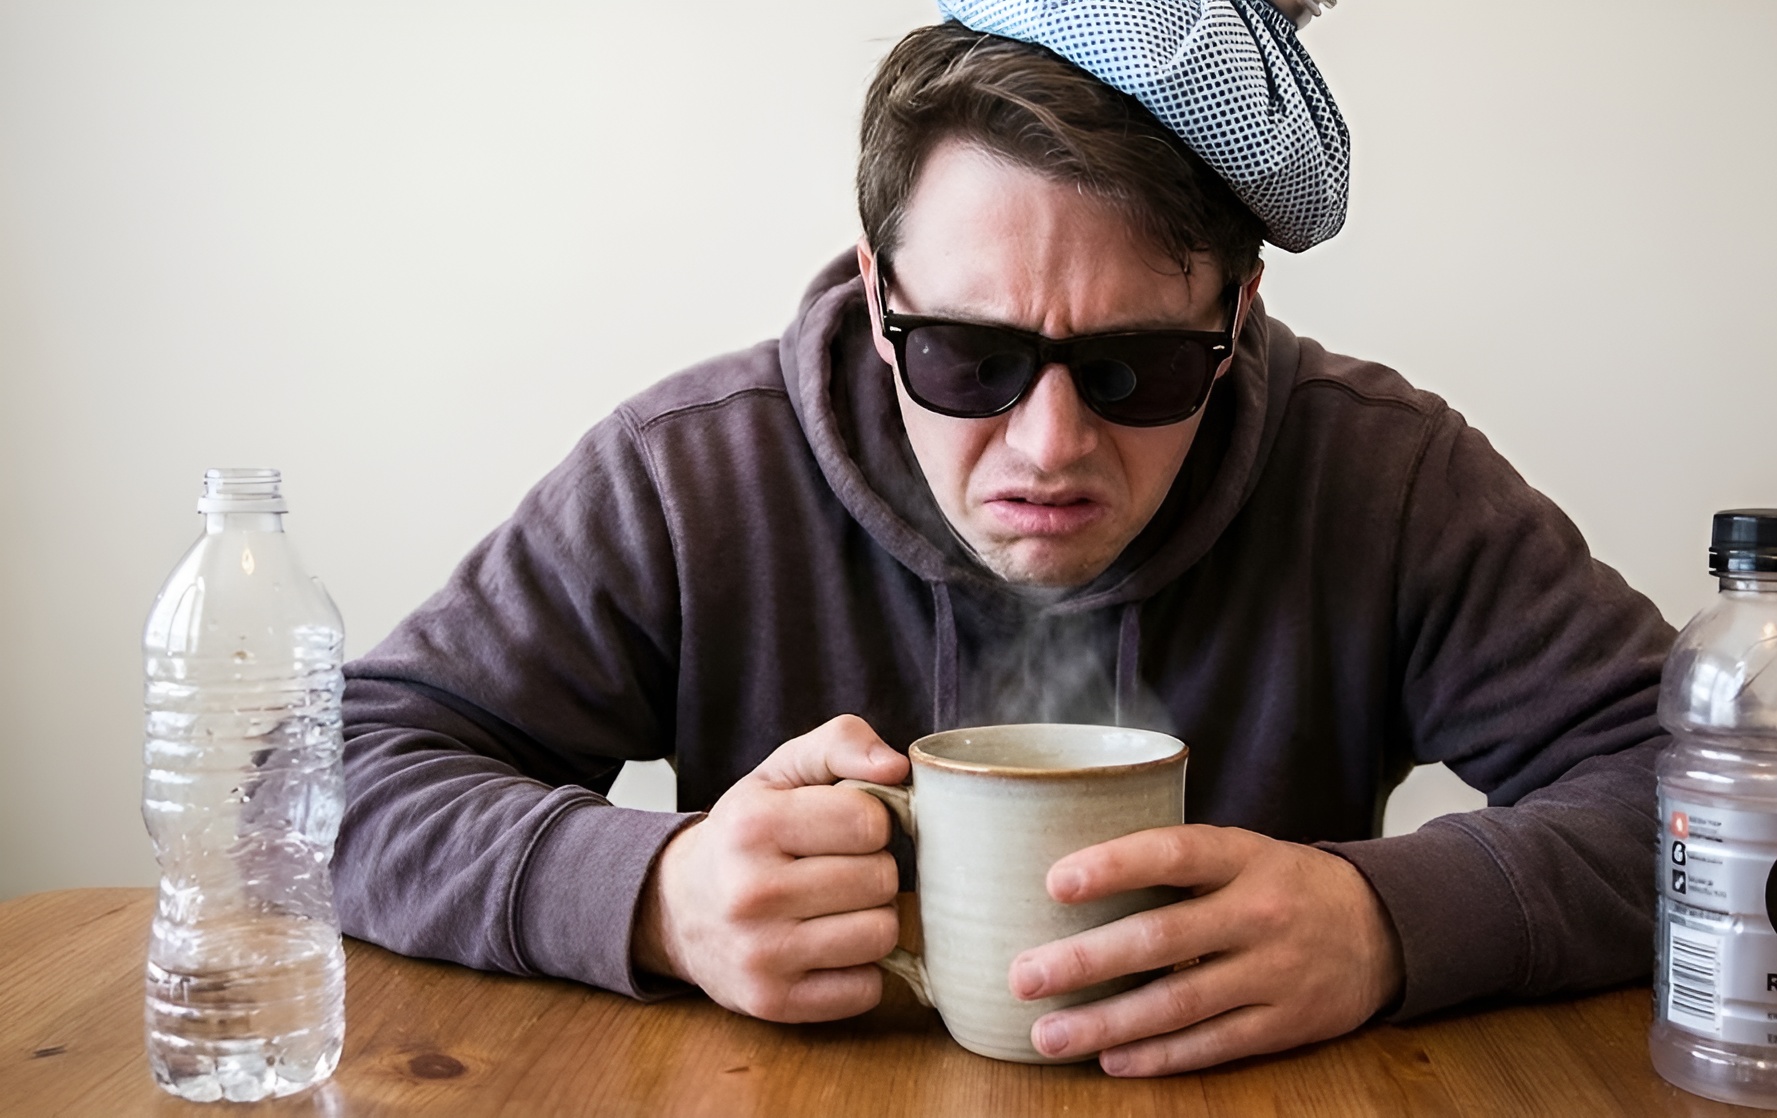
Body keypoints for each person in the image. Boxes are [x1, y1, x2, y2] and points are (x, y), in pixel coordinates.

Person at [336, 0, 1672, 1078]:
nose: (1047, 445)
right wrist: (652, 891)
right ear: (877, 291)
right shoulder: (690, 476)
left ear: (1239, 314)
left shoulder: (1383, 478)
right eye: (971, 355)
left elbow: (1721, 795)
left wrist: (1389, 924)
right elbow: (333, 771)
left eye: (1139, 366)